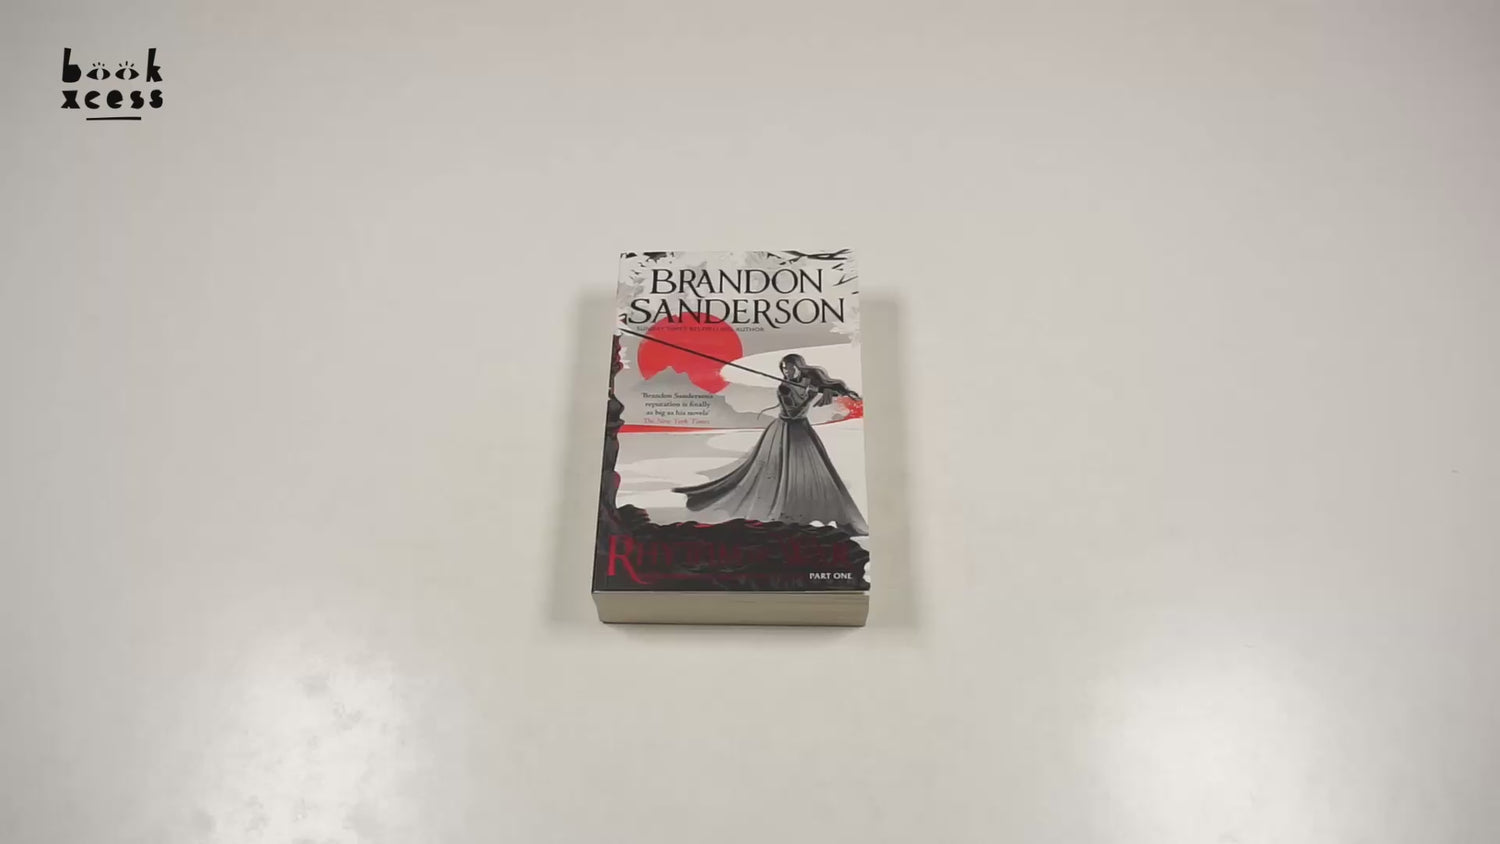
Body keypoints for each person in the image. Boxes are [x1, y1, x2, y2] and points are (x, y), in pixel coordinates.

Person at [674, 354, 869, 535]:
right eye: (784, 369)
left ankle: (835, 516)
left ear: (799, 368)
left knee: (818, 473)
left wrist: (826, 390)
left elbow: (832, 388)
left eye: (790, 368)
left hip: (803, 430)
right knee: (782, 474)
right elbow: (793, 413)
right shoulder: (784, 388)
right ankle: (786, 515)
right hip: (786, 429)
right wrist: (810, 397)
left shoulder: (808, 380)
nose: (787, 372)